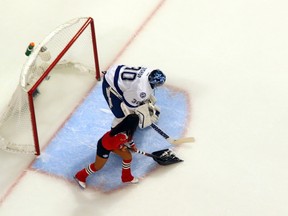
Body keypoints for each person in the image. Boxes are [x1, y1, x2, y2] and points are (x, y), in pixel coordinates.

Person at [74, 114, 140, 189]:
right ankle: (80, 176)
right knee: (97, 166)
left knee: (128, 157)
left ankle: (126, 177)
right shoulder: (122, 135)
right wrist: (123, 147)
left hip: (112, 143)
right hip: (104, 147)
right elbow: (115, 145)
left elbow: (129, 138)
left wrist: (132, 146)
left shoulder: (125, 127)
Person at [102, 64, 166, 129]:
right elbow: (128, 103)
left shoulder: (150, 71)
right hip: (109, 82)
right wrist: (139, 111)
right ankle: (114, 132)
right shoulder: (141, 90)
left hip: (116, 70)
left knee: (142, 99)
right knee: (121, 115)